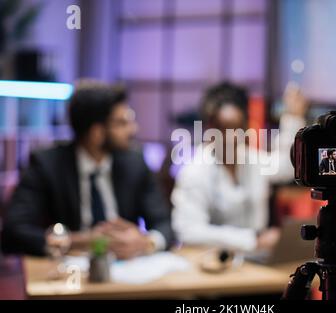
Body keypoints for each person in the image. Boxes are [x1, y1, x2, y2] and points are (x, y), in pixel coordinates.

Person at [1, 80, 173, 259]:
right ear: (96, 132)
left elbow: (165, 224)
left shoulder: (135, 163)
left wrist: (146, 242)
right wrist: (81, 240)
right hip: (66, 275)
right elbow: (13, 233)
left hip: (126, 272)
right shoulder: (47, 165)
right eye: (121, 123)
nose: (133, 129)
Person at [171, 82, 306, 252]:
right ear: (210, 128)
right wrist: (252, 240)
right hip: (214, 262)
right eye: (224, 129)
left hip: (257, 260)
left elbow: (287, 167)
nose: (232, 137)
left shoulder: (251, 159)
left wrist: (292, 118)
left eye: (237, 128)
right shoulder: (195, 171)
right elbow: (188, 231)